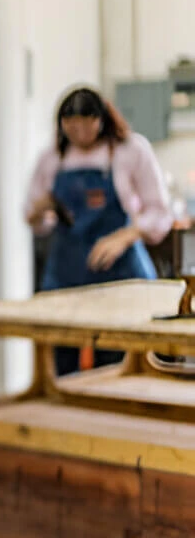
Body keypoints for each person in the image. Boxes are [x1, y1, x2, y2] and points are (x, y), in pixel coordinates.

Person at [25, 85, 172, 375]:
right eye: (71, 126)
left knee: (120, 363)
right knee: (60, 364)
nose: (79, 134)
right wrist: (39, 210)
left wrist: (125, 236)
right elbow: (34, 220)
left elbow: (160, 213)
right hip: (66, 272)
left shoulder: (131, 151)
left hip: (119, 274)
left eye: (86, 125)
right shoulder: (52, 159)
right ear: (61, 125)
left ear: (102, 119)